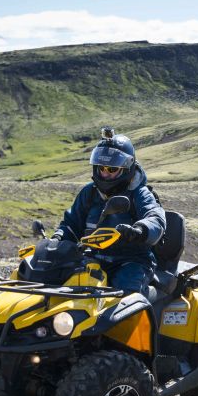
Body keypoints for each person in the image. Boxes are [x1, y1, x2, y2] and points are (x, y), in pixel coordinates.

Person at [51, 127, 165, 298]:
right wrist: (58, 238)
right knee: (60, 287)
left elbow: (155, 217)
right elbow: (71, 224)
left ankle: (133, 323)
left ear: (126, 168)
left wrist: (140, 230)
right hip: (94, 258)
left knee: (124, 296)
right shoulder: (89, 193)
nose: (105, 173)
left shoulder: (139, 194)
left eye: (112, 170)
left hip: (132, 261)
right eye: (102, 168)